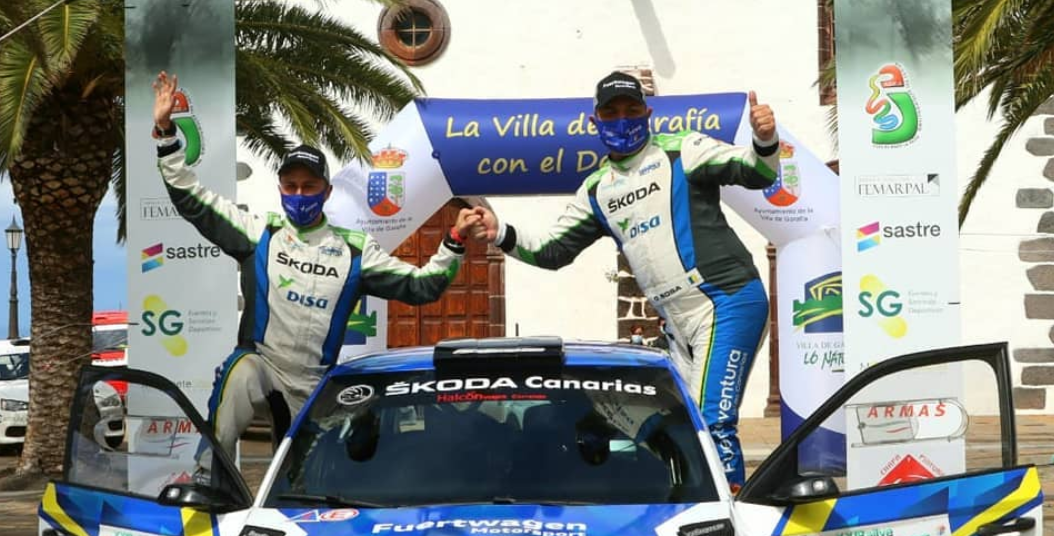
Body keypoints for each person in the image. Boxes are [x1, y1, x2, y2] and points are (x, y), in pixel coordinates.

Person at [151, 71, 478, 478]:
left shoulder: (356, 251)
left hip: (314, 385)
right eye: (291, 186)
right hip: (264, 365)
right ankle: (208, 476)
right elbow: (191, 198)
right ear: (280, 189)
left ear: (327, 191)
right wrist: (166, 133)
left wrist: (453, 240)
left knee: (304, 480)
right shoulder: (259, 232)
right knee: (240, 371)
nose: (299, 194)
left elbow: (423, 287)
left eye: (309, 186)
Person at [469, 71, 778, 489]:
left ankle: (732, 514)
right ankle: (683, 494)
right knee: (651, 418)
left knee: (712, 422)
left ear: (648, 114)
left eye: (631, 110)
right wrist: (499, 232)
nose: (622, 119)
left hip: (727, 301)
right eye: (611, 112)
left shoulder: (684, 149)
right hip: (677, 322)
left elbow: (756, 173)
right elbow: (552, 251)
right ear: (594, 120)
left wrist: (764, 139)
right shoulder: (597, 189)